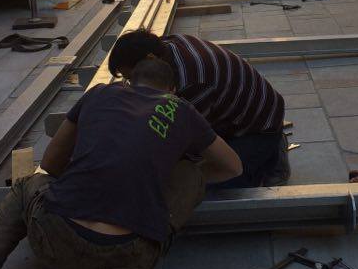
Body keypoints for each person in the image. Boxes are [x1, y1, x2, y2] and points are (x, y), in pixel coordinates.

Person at [0, 58, 241, 269]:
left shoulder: (99, 94)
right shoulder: (183, 110)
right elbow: (233, 167)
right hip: (128, 254)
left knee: (27, 184)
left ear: (128, 81)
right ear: (172, 90)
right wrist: (164, 176)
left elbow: (50, 165)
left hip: (54, 236)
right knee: (191, 173)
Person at [108, 29, 290, 189]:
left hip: (257, 128)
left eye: (131, 78)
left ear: (150, 59)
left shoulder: (191, 81)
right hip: (233, 114)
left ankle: (271, 156)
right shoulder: (166, 46)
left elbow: (195, 139)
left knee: (205, 186)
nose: (133, 85)